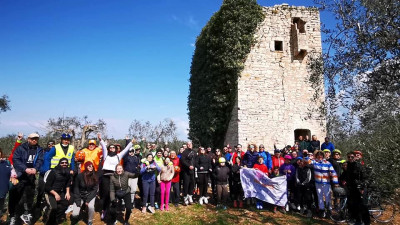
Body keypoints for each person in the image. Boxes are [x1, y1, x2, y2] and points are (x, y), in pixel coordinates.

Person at [8, 133, 44, 225]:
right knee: (16, 196)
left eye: (36, 139)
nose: (34, 140)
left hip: (31, 175)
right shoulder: (21, 148)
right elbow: (16, 159)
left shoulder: (39, 149)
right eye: (32, 139)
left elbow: (40, 160)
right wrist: (25, 169)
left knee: (30, 195)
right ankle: (13, 216)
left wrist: (36, 168)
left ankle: (26, 214)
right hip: (20, 175)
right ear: (28, 139)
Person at [99, 133, 134, 220]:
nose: (111, 149)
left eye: (113, 148)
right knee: (104, 194)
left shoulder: (118, 156)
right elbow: (103, 147)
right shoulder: (106, 155)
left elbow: (126, 150)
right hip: (105, 176)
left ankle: (112, 209)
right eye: (110, 148)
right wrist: (100, 139)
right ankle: (104, 209)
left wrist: (131, 142)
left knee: (113, 194)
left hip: (114, 176)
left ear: (115, 149)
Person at [44, 158, 72, 225]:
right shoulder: (53, 172)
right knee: (53, 208)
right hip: (50, 192)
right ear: (59, 163)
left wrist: (67, 192)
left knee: (65, 203)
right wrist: (55, 194)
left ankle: (56, 219)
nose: (64, 164)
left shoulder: (67, 172)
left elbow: (68, 183)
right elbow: (47, 186)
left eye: (66, 163)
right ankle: (48, 220)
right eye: (62, 163)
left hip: (60, 192)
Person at [311, 150, 339, 218]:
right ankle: (322, 210)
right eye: (318, 155)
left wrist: (335, 182)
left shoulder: (327, 163)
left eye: (321, 155)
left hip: (326, 182)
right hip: (318, 183)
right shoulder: (315, 162)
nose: (320, 157)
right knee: (319, 196)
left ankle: (329, 210)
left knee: (327, 197)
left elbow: (333, 172)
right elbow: (306, 161)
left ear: (323, 156)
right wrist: (312, 157)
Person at [345, 151, 370, 225]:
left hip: (359, 188)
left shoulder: (358, 165)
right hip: (352, 188)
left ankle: (366, 222)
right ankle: (358, 221)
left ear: (355, 157)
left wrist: (362, 188)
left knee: (363, 206)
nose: (350, 158)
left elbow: (364, 177)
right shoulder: (349, 165)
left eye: (352, 157)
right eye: (348, 157)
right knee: (355, 206)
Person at [0, 148, 17, 219]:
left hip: (2, 191)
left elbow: (13, 173)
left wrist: (13, 177)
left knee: (0, 207)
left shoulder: (7, 163)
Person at [180, 141, 196, 206]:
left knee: (192, 184)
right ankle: (185, 197)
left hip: (193, 171)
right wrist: (188, 166)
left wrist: (195, 166)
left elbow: (195, 160)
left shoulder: (194, 152)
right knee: (186, 184)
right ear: (187, 145)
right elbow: (182, 161)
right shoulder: (184, 152)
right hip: (186, 170)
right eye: (188, 144)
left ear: (192, 145)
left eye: (190, 144)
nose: (189, 145)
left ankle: (190, 196)